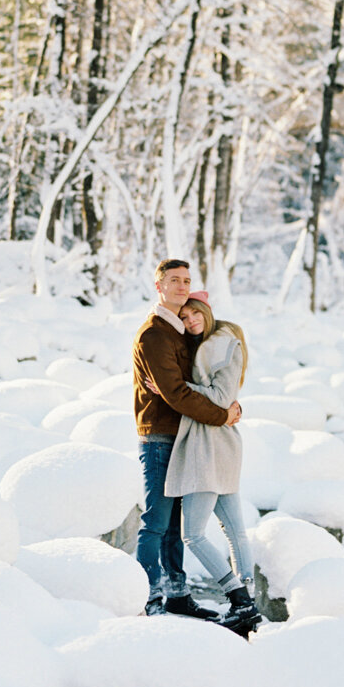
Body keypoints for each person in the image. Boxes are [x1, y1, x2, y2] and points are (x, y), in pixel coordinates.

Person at [133, 259, 242, 618]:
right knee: (156, 522)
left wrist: (227, 402)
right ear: (159, 285)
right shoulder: (154, 334)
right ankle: (148, 597)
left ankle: (176, 594)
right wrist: (223, 416)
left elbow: (209, 384)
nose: (181, 286)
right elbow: (177, 394)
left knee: (176, 527)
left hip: (185, 437)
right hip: (161, 436)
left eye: (187, 281)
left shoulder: (182, 330)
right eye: (174, 280)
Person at [164, 293, 259, 636]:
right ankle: (248, 603)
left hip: (210, 447)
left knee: (192, 535)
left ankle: (238, 598)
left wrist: (172, 389)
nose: (190, 321)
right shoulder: (211, 345)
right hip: (221, 445)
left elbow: (220, 399)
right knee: (235, 532)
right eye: (185, 317)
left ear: (207, 311)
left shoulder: (221, 346)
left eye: (194, 314)